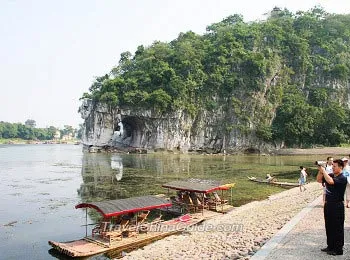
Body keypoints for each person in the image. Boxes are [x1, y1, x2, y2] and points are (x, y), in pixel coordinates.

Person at [317, 159, 347, 256]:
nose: (333, 168)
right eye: (332, 166)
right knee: (329, 226)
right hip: (328, 204)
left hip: (337, 205)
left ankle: (338, 249)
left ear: (340, 167)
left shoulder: (342, 178)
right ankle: (330, 246)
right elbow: (319, 180)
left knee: (337, 227)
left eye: (335, 166)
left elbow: (330, 182)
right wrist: (320, 170)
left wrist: (324, 171)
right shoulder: (330, 175)